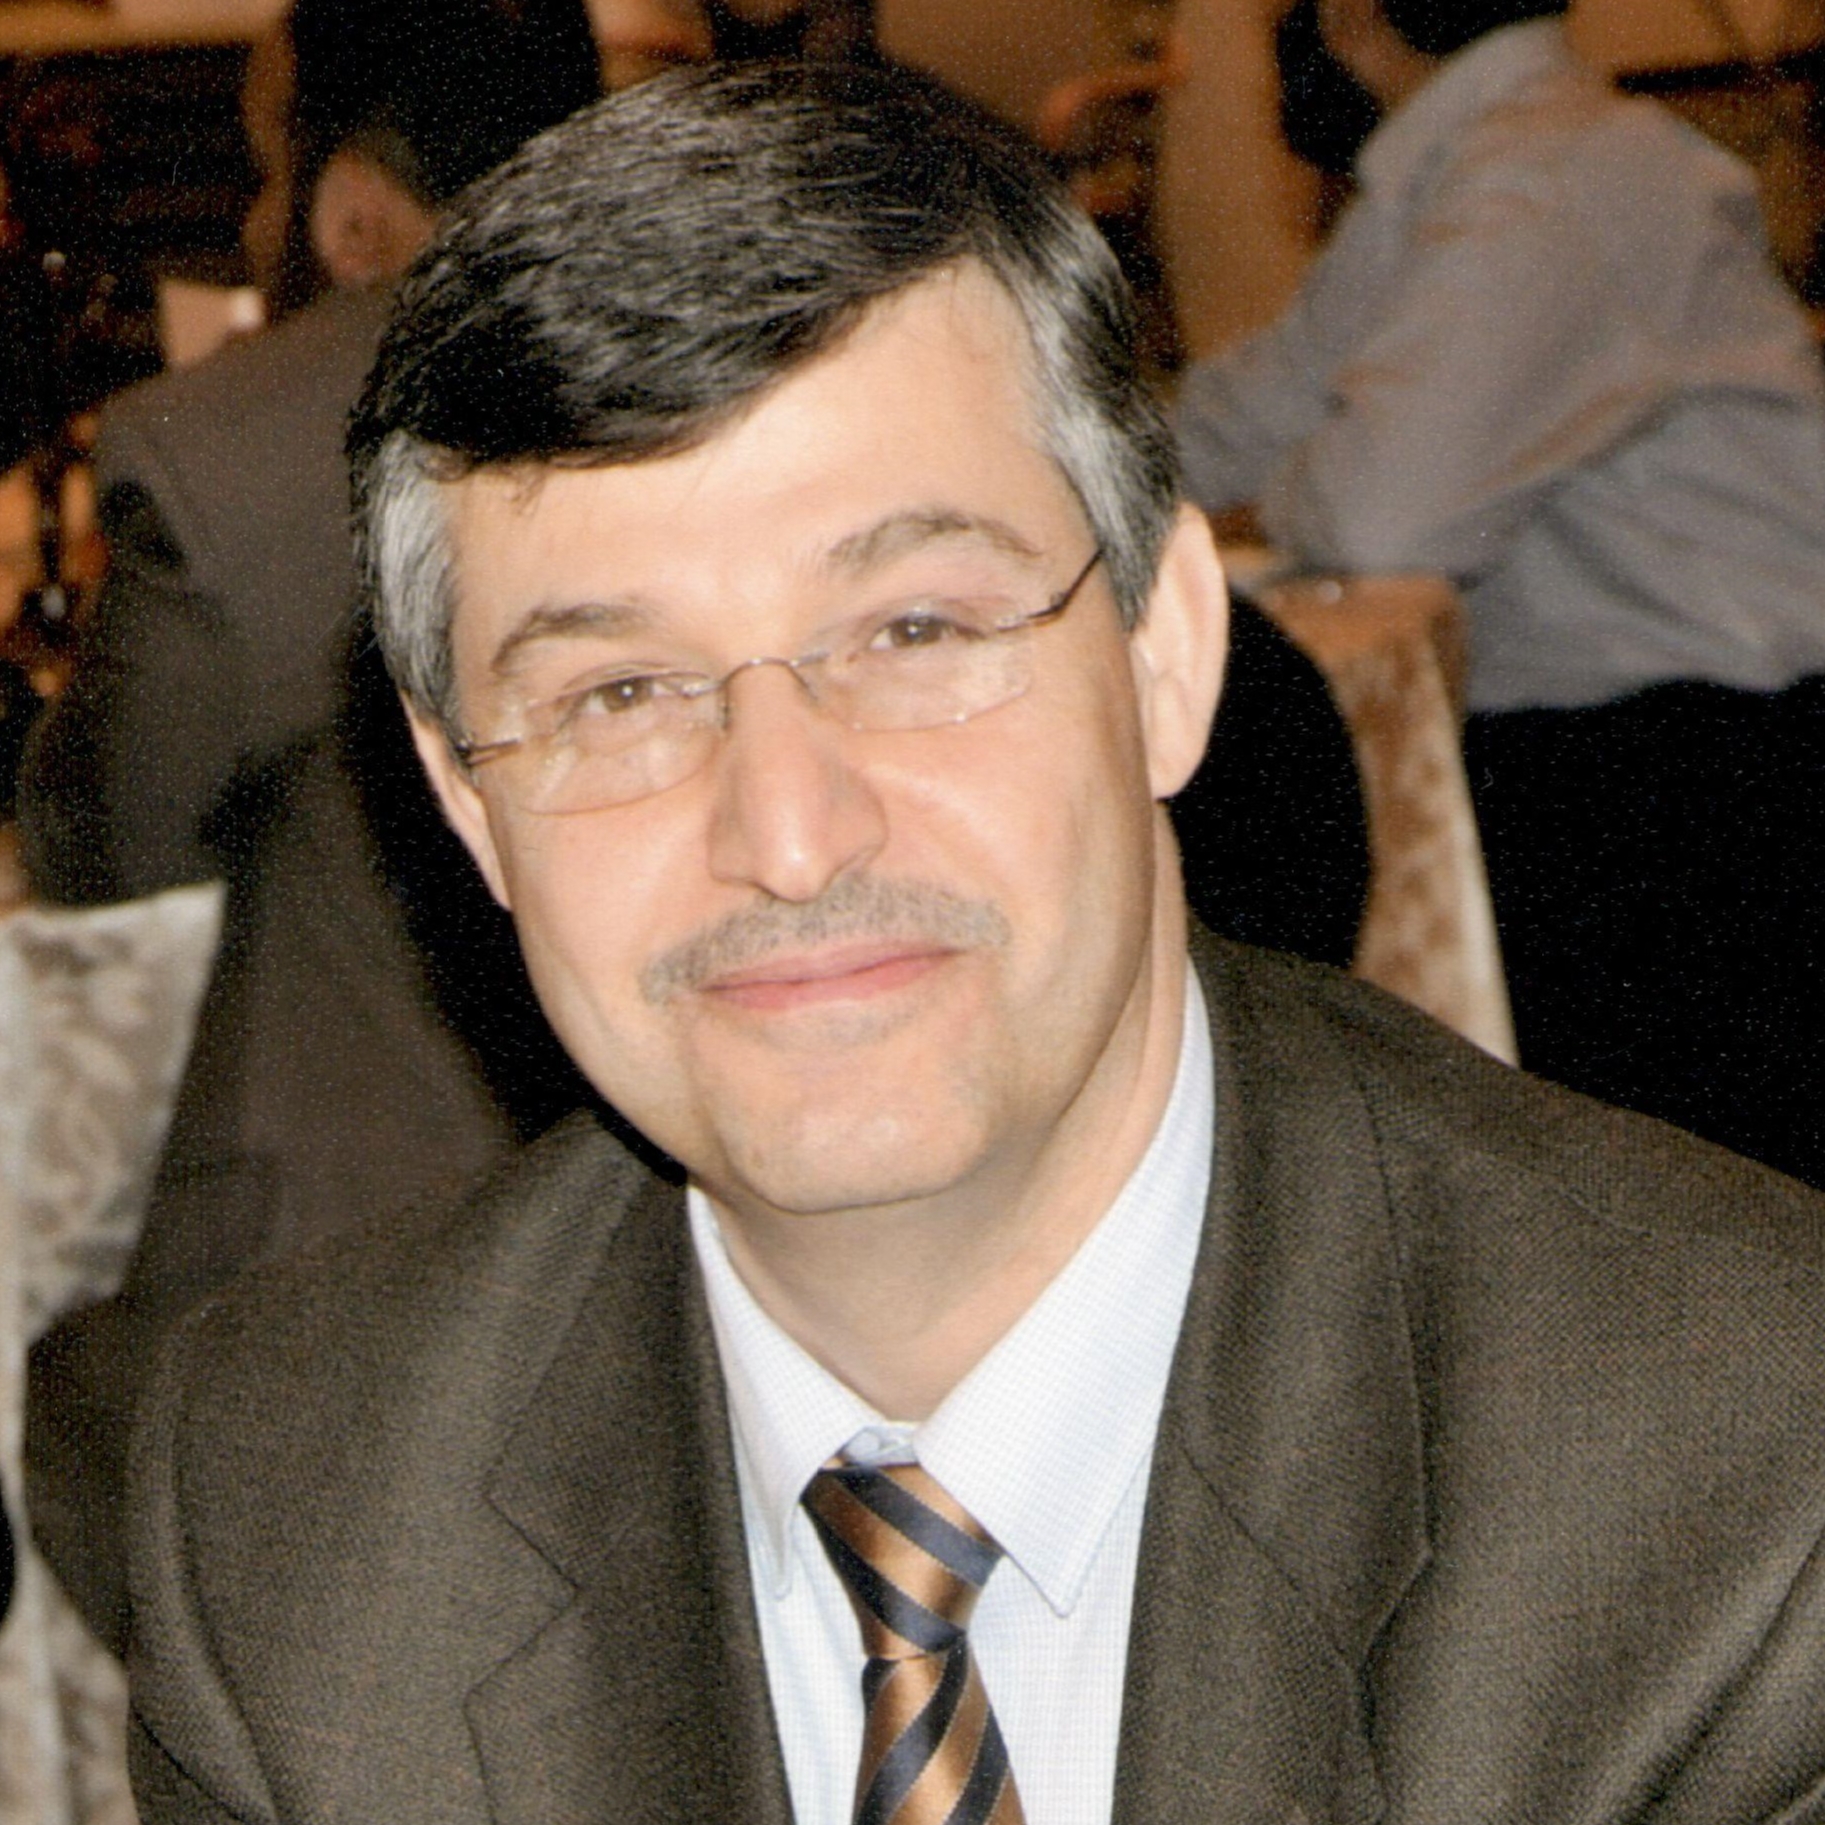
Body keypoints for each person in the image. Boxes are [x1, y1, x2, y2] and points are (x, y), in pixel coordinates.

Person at [128, 63, 1825, 1825]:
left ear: (1166, 654)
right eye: (620, 693)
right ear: (467, 800)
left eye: (914, 629)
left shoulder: (1736, 1479)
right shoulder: (297, 1518)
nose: (789, 835)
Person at [19, 1, 600, 1656]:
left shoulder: (258, 446)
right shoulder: (746, 335)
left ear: (349, 212)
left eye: (268, 161)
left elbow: (108, 850)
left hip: (378, 1325)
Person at [1173, 0, 1825, 1186]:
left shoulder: (1556, 176)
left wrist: (1292, 474)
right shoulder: (1480, 156)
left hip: (1717, 778)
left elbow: (1379, 512)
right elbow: (1260, 402)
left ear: (1354, 17)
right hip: (1632, 747)